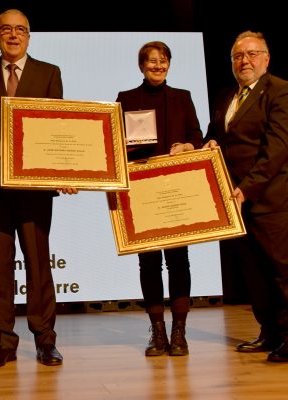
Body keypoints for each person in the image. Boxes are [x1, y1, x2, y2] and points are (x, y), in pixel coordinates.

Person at [0, 9, 77, 369]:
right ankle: (4, 341)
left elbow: (59, 127)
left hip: (35, 189)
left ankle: (45, 341)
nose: (13, 35)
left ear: (29, 36)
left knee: (39, 265)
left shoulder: (49, 73)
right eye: (5, 29)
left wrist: (65, 168)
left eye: (19, 30)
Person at [203, 30, 288, 362]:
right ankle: (269, 333)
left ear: (266, 58)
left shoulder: (280, 90)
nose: (245, 61)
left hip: (270, 201)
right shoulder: (228, 96)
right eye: (238, 56)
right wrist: (208, 143)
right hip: (235, 201)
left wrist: (245, 190)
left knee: (281, 273)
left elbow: (277, 150)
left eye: (252, 54)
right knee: (254, 274)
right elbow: (220, 134)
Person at [116, 41, 203, 356]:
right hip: (141, 190)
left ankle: (179, 333)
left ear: (169, 64)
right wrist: (129, 146)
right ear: (141, 65)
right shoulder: (126, 100)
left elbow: (197, 135)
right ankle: (157, 333)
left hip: (176, 188)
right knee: (149, 262)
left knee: (179, 260)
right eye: (151, 61)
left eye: (163, 60)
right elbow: (114, 143)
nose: (157, 65)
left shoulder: (182, 98)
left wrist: (189, 147)